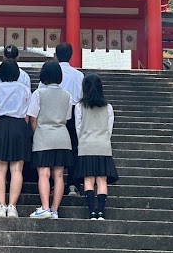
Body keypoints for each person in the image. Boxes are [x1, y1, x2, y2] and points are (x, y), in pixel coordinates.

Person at [27, 61, 73, 219]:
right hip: (62, 137)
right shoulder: (67, 95)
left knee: (44, 173)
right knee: (59, 175)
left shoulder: (39, 93)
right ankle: (54, 209)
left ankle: (45, 207)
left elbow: (32, 117)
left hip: (43, 136)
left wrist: (37, 131)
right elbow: (67, 117)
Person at [0, 59, 31, 217]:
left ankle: (1, 205)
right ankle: (12, 206)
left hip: (0, 125)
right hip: (19, 126)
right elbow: (27, 114)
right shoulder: (25, 90)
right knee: (17, 169)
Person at [75, 73, 119, 220]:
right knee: (102, 180)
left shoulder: (79, 106)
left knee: (88, 180)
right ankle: (101, 211)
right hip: (103, 146)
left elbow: (78, 128)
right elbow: (109, 128)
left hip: (86, 146)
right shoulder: (108, 107)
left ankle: (91, 212)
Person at [55, 42, 84, 196]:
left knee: (55, 147)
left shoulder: (51, 71)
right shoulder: (78, 75)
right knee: (73, 147)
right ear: (71, 55)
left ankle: (54, 182)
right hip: (73, 112)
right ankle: (72, 183)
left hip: (55, 111)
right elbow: (80, 97)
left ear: (55, 55)